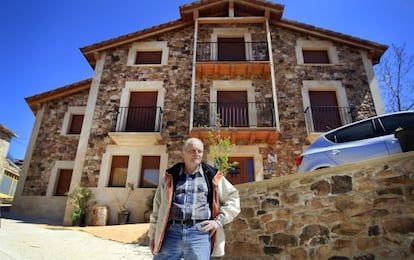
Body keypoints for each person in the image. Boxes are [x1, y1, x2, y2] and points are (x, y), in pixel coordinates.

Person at [148, 137, 240, 259]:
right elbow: (157, 208)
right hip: (171, 234)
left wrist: (218, 222)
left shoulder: (212, 176)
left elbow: (233, 198)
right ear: (184, 153)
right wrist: (153, 235)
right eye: (192, 151)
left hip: (199, 234)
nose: (196, 154)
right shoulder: (170, 176)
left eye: (199, 151)